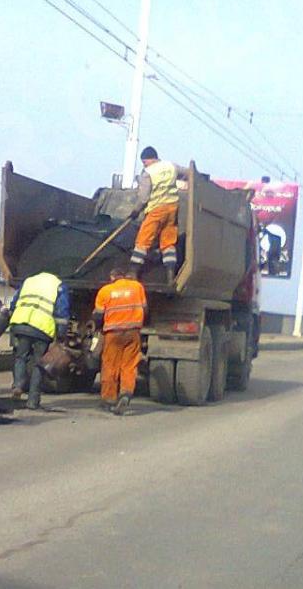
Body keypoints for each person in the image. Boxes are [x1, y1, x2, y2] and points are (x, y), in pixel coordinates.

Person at [6, 271, 70, 410]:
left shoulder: (28, 281)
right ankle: (33, 401)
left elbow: (14, 303)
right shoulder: (59, 285)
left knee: (20, 357)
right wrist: (61, 335)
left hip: (21, 324)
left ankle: (17, 385)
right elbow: (62, 311)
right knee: (38, 364)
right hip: (42, 328)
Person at [92, 267, 148, 416]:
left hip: (112, 333)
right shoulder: (137, 287)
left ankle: (109, 399)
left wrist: (98, 329)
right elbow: (145, 308)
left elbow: (98, 315)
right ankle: (125, 393)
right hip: (132, 332)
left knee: (110, 365)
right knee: (129, 364)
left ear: (112, 277)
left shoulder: (105, 291)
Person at [130, 146, 189, 283]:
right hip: (172, 209)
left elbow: (144, 198)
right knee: (168, 243)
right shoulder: (171, 166)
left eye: (144, 162)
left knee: (143, 240)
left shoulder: (147, 173)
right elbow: (188, 173)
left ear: (148, 160)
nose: (144, 165)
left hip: (157, 210)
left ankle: (133, 272)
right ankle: (170, 275)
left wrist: (136, 211)